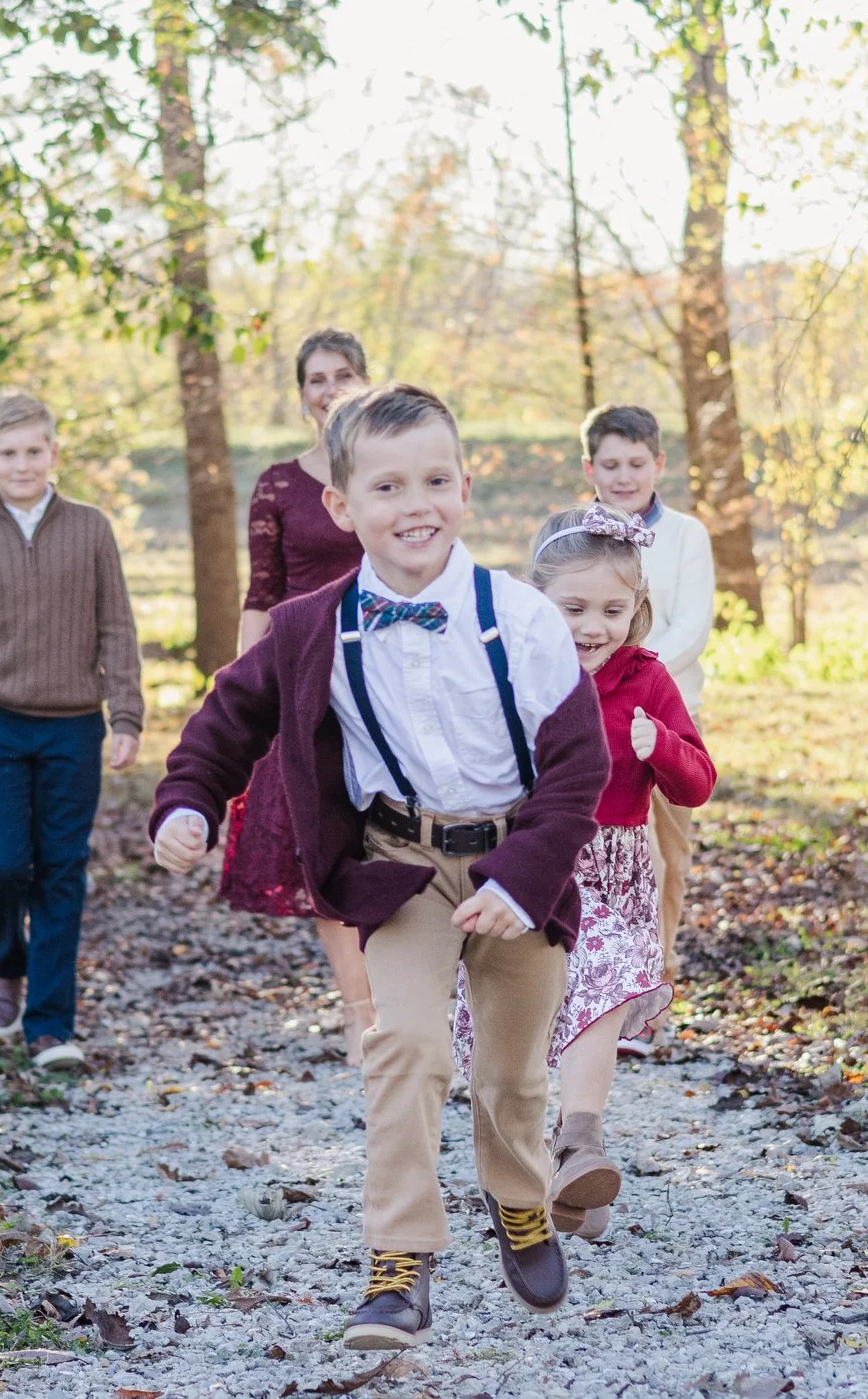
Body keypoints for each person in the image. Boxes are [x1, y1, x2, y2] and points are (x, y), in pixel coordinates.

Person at [148, 384, 610, 1350]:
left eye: (436, 480)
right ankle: (400, 1261)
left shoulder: (518, 619)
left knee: (515, 1076)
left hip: (519, 863)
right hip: (401, 866)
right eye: (389, 484)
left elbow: (579, 765)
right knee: (404, 1046)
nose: (416, 504)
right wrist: (188, 800)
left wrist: (522, 876)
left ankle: (519, 1199)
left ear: (467, 488)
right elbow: (228, 720)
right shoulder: (313, 626)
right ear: (342, 505)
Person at [451, 504, 717, 1240]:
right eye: (573, 607)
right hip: (534, 858)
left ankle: (581, 1139)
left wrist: (658, 741)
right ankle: (547, 1172)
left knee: (598, 986)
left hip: (618, 865)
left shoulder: (648, 678)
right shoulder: (515, 667)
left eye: (612, 608)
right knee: (526, 1023)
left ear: (637, 609)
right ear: (538, 600)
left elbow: (696, 782)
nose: (592, 625)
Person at [0, 389, 143, 1070]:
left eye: (34, 451)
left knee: (62, 868)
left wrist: (126, 713)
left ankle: (50, 1025)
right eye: (7, 453)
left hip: (74, 726)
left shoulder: (91, 528)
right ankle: (7, 963)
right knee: (5, 863)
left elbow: (117, 626)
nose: (22, 464)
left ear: (53, 452)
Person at [225, 328, 374, 1060]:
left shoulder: (388, 470)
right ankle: (361, 1007)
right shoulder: (280, 484)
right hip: (302, 678)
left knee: (394, 840)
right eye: (317, 378)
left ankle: (416, 995)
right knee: (324, 848)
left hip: (386, 674)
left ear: (368, 382)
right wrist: (242, 692)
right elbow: (262, 592)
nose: (330, 388)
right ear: (301, 395)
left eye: (343, 374)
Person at [580, 404, 713, 1038]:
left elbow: (693, 624)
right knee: (595, 851)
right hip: (589, 712)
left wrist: (639, 674)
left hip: (662, 712)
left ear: (658, 464)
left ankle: (650, 982)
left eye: (636, 464)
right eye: (611, 464)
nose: (624, 475)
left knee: (666, 855)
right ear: (591, 468)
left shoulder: (686, 535)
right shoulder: (575, 537)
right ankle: (594, 984)